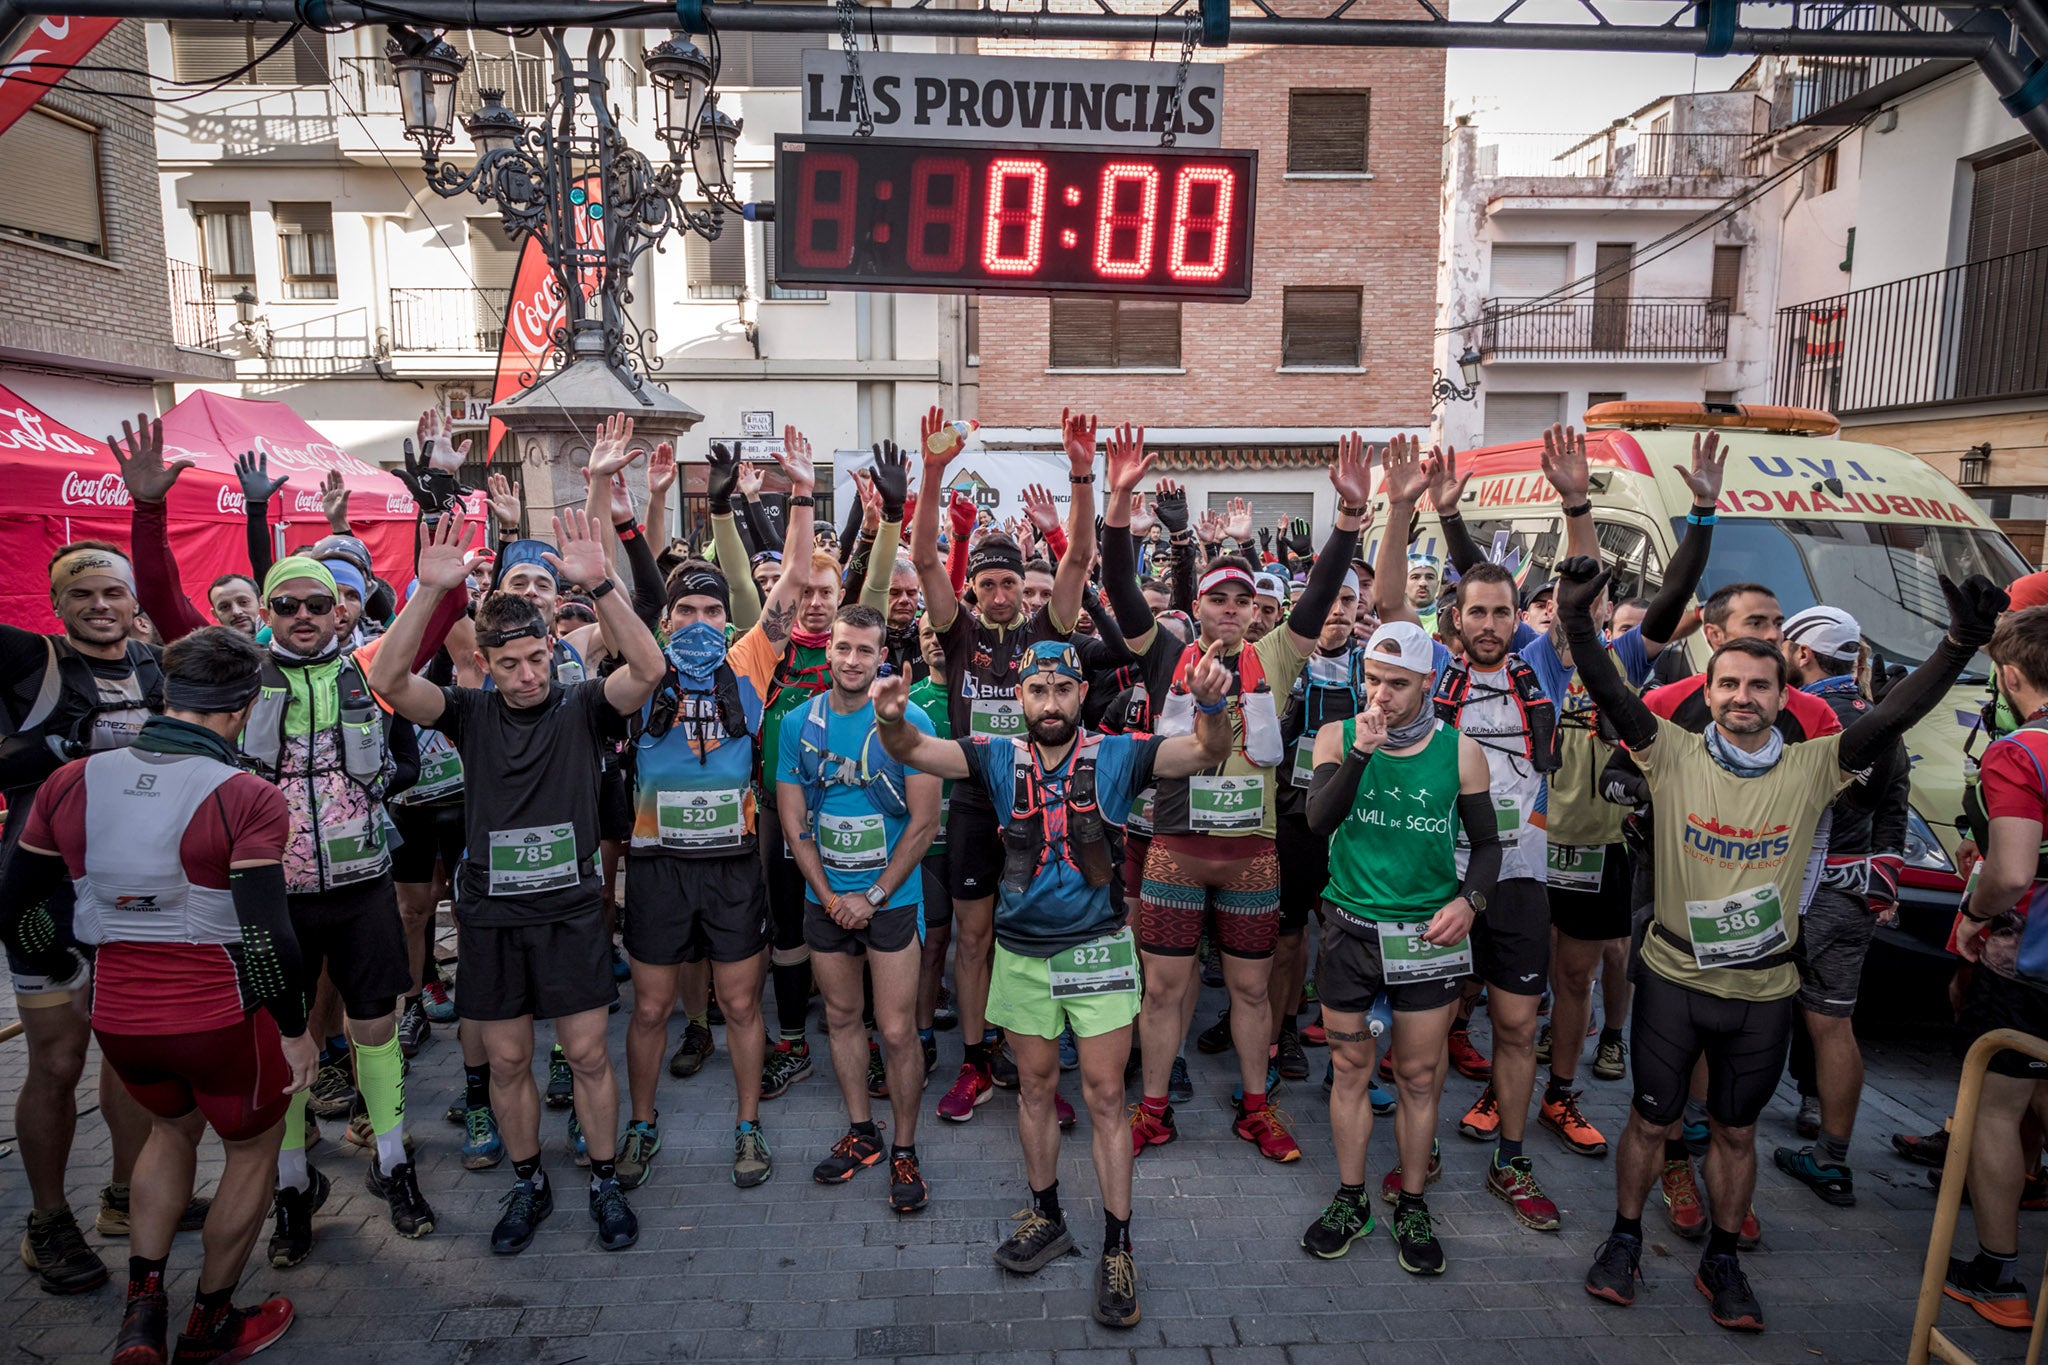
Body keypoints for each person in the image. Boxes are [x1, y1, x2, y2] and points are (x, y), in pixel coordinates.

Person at [1555, 554, 2006, 1333]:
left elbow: (1892, 715)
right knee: (1651, 1120)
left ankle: (1722, 1257)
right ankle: (1625, 1238)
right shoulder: (1671, 748)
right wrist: (1572, 619)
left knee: (1735, 1130)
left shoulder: (1815, 764)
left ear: (1781, 693)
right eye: (1727, 683)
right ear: (1707, 689)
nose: (1740, 696)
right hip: (1673, 976)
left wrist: (1962, 641)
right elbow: (1605, 689)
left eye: (1758, 685)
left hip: (1763, 991)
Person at [871, 637, 1236, 1328]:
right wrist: (891, 720)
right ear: (1021, 699)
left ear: (1078, 694)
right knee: (1035, 1088)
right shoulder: (995, 754)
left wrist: (1213, 704)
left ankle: (1119, 1244)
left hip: (1096, 953)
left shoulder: (1119, 752)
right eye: (1036, 690)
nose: (1049, 703)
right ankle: (1047, 1215)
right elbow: (918, 751)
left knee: (1102, 1096)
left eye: (1061, 689)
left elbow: (1202, 751)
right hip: (1022, 956)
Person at [0, 628, 316, 1364]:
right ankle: (210, 1324)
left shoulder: (73, 779)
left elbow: (16, 907)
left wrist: (74, 955)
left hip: (122, 1016)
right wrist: (295, 1028)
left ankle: (141, 1316)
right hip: (220, 1016)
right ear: (241, 709)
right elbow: (270, 939)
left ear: (168, 694)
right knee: (251, 1151)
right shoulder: (247, 793)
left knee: (168, 1134)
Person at [368, 506, 665, 1256]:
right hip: (494, 915)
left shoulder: (580, 705)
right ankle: (528, 1177)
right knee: (505, 1059)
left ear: (553, 649)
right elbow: (388, 679)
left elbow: (650, 669)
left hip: (568, 911)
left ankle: (602, 1178)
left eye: (537, 657)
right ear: (487, 664)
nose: (528, 675)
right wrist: (429, 595)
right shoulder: (468, 712)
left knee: (589, 1054)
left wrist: (599, 584)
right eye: (510, 664)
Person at [1124, 431, 1371, 1161]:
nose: (1231, 608)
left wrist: (1350, 518)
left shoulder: (1275, 656)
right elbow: (1111, 581)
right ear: (1197, 607)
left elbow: (1323, 589)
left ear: (1254, 607)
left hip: (1252, 856)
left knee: (1254, 993)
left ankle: (1256, 1107)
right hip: (1175, 850)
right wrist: (1108, 502)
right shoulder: (1168, 651)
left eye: (1242, 598)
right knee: (1164, 993)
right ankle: (1154, 1108)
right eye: (1218, 598)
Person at [615, 431, 815, 1191]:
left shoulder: (747, 664)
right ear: (665, 619)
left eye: (710, 608)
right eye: (684, 608)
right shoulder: (644, 669)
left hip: (732, 866)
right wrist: (624, 500)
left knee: (738, 1001)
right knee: (651, 1008)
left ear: (727, 618)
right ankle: (641, 1123)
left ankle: (747, 1124)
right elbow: (618, 585)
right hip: (660, 865)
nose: (697, 619)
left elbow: (793, 581)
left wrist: (800, 491)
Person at [1377, 464, 1565, 1235]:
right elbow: (1390, 601)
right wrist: (1399, 507)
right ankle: (1421, 1153)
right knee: (1429, 1029)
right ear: (1456, 619)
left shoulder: (1542, 666)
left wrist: (1577, 503)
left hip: (1518, 877)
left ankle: (1511, 1158)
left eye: (1502, 612)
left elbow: (1580, 603)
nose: (1488, 624)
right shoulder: (1441, 668)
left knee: (1518, 1026)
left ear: (1520, 616)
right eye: (1476, 611)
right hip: (1438, 877)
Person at [236, 553, 430, 1265]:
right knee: (288, 1043)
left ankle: (393, 1163)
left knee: (376, 1025)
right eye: (285, 606)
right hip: (273, 893)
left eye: (316, 604)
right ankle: (291, 1187)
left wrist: (370, 792)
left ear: (340, 610)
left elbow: (406, 752)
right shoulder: (241, 676)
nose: (303, 616)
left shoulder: (370, 672)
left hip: (361, 885)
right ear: (266, 613)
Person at [1298, 621, 1501, 1274]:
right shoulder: (1337, 734)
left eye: (1397, 683)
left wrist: (1470, 902)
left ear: (1426, 684)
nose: (1381, 694)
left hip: (1426, 937)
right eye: (1373, 680)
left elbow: (1489, 847)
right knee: (1351, 1069)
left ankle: (1412, 1199)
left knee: (1417, 1076)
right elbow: (1318, 820)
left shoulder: (1461, 751)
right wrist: (1361, 750)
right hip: (1351, 928)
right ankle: (1351, 1196)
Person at [1, 533, 174, 1294]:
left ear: (133, 601)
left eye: (112, 592)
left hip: (136, 891)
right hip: (43, 897)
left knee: (132, 1054)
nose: (100, 605)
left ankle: (121, 1195)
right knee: (59, 1061)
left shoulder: (154, 665)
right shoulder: (30, 662)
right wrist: (52, 751)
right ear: (57, 603)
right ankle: (47, 1222)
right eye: (82, 593)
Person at [912, 408, 1095, 1122]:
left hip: (1041, 799)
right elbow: (927, 558)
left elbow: (1077, 560)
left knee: (1041, 932)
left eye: (1006, 584)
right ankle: (977, 1062)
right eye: (986, 584)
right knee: (974, 935)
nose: (996, 594)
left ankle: (1037, 1065)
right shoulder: (955, 634)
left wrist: (1080, 474)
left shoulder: (1045, 633)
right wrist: (933, 470)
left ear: (1022, 587)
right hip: (972, 804)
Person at [777, 604, 942, 1210]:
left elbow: (924, 825)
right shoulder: (799, 722)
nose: (851, 660)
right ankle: (861, 1132)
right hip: (824, 898)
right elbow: (794, 822)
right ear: (829, 650)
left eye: (864, 651)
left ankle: (904, 1148)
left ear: (882, 658)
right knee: (843, 1019)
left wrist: (871, 896)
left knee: (897, 1031)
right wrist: (829, 897)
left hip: (891, 900)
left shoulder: (909, 718)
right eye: (842, 648)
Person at [1772, 606, 1909, 1211]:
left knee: (1743, 1007)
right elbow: (1894, 808)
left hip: (1796, 888)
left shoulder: (1802, 715)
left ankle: (1706, 1127)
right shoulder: (1886, 718)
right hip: (1861, 892)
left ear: (1802, 655)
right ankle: (1832, 1157)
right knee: (1833, 1022)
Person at [1942, 603, 2048, 1330]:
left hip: (2028, 961)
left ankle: (1997, 1273)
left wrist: (1976, 916)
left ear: (2008, 675)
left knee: (1995, 1112)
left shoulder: (2021, 752)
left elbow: (2011, 872)